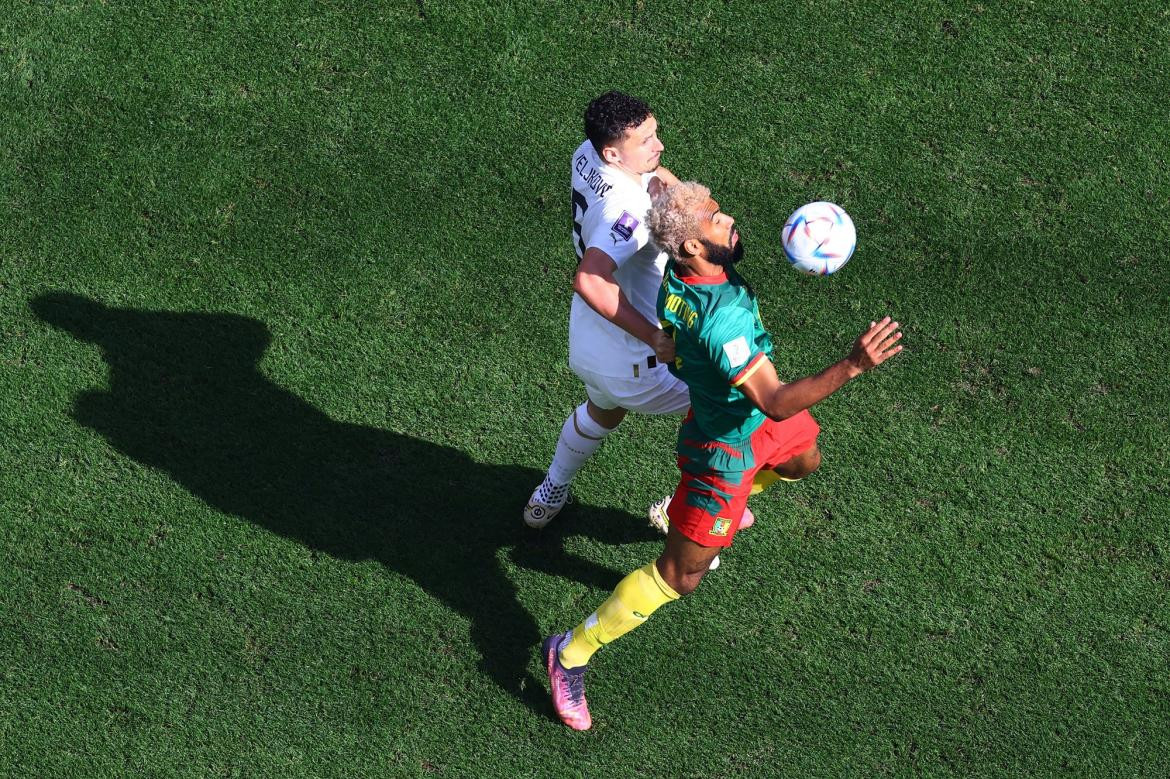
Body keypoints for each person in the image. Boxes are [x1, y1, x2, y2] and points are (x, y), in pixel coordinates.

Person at [541, 181, 904, 730]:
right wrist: (852, 365)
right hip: (724, 450)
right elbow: (777, 402)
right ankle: (570, 652)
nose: (729, 219)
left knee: (805, 460)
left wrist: (669, 334)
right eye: (715, 220)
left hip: (747, 420)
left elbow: (680, 323)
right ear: (689, 246)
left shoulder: (683, 275)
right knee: (680, 576)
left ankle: (717, 509)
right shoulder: (722, 321)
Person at [523, 91, 687, 529]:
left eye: (656, 133)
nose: (660, 147)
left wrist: (674, 189)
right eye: (647, 141)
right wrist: (655, 337)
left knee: (603, 411)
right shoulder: (627, 212)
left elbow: (649, 175)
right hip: (639, 360)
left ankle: (551, 490)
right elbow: (591, 279)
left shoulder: (587, 154)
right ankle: (688, 513)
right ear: (614, 153)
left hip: (590, 342)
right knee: (741, 406)